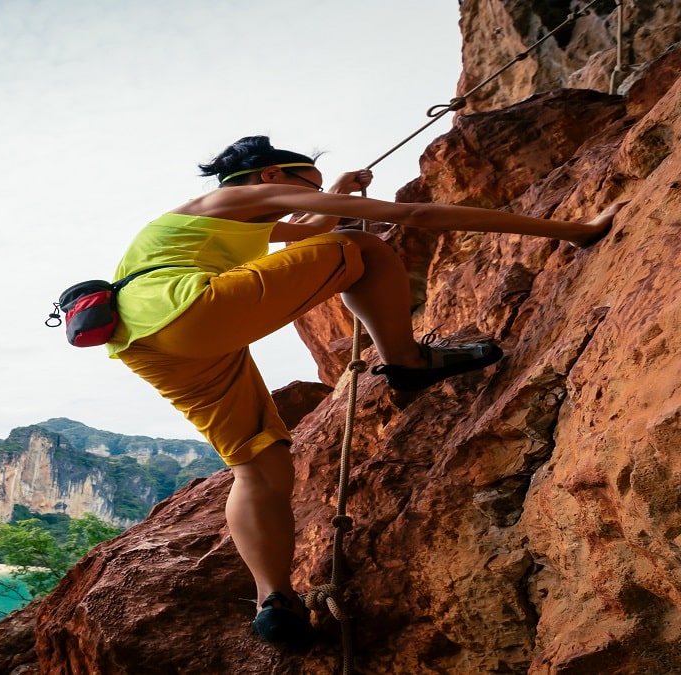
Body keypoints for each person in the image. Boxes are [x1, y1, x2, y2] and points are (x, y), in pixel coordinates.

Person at [105, 135, 626, 649]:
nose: (307, 198)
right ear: (271, 177)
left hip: (148, 339)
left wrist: (334, 189)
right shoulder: (240, 197)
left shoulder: (209, 217)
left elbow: (306, 227)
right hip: (196, 306)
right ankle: (408, 360)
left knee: (259, 462)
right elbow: (414, 219)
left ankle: (274, 600)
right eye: (302, 186)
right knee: (362, 247)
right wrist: (572, 230)